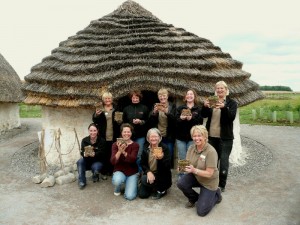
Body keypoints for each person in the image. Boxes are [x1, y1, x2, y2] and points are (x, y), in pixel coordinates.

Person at [177, 125, 222, 217]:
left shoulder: (211, 152)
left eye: (199, 136)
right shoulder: (191, 148)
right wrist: (182, 168)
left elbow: (209, 174)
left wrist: (194, 170)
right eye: (194, 136)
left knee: (201, 211)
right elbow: (188, 163)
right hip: (196, 176)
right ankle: (194, 198)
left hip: (209, 181)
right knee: (181, 183)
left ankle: (216, 195)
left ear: (205, 136)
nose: (196, 138)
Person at [201, 81, 238, 192]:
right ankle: (211, 181)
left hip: (225, 138)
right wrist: (205, 107)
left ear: (226, 90)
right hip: (211, 137)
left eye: (222, 88)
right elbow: (204, 115)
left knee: (224, 162)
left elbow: (231, 117)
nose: (220, 90)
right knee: (211, 160)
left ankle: (222, 185)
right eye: (218, 88)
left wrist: (224, 107)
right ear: (215, 90)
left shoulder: (231, 103)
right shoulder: (213, 100)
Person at [92, 91, 121, 177]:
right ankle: (105, 171)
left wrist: (120, 120)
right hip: (103, 135)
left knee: (113, 152)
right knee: (105, 153)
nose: (107, 100)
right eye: (105, 99)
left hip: (114, 134)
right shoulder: (100, 109)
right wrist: (96, 115)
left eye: (109, 98)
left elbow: (120, 121)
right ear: (103, 100)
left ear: (112, 99)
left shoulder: (116, 108)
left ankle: (113, 170)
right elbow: (95, 120)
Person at [138, 128, 172, 200]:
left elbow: (168, 166)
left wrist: (161, 159)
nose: (153, 138)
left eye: (156, 136)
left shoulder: (164, 148)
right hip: (150, 172)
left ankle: (162, 190)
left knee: (144, 179)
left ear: (160, 137)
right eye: (151, 136)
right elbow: (142, 163)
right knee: (142, 195)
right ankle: (153, 186)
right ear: (148, 138)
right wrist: (148, 172)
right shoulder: (145, 147)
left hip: (162, 175)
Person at [148, 88, 176, 167]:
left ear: (167, 96)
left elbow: (175, 120)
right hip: (158, 136)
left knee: (168, 154)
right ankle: (158, 171)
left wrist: (167, 112)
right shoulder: (156, 106)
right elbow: (150, 121)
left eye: (164, 95)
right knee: (157, 155)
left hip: (169, 135)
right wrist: (154, 113)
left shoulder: (172, 106)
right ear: (158, 97)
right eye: (160, 96)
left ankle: (167, 172)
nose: (162, 97)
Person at [110, 123, 139, 200]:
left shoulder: (135, 145)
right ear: (121, 133)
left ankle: (129, 183)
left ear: (131, 133)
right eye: (124, 132)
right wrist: (119, 151)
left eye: (128, 132)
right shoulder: (115, 144)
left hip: (132, 172)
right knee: (117, 180)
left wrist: (124, 152)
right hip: (119, 170)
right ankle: (117, 188)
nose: (126, 134)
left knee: (130, 196)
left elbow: (133, 159)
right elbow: (113, 162)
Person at [122, 90, 149, 172]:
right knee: (128, 154)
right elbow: (123, 122)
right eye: (133, 97)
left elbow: (149, 121)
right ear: (131, 98)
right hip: (129, 136)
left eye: (136, 97)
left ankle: (140, 172)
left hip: (140, 136)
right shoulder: (126, 108)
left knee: (139, 155)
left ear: (139, 98)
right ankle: (129, 171)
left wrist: (141, 121)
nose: (135, 99)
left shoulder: (144, 108)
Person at [175, 89, 203, 161]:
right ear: (185, 97)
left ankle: (191, 172)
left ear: (194, 96)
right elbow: (175, 122)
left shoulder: (198, 109)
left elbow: (200, 123)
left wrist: (191, 119)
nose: (189, 96)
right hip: (180, 138)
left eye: (191, 94)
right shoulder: (180, 108)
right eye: (188, 94)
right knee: (183, 158)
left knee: (191, 158)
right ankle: (184, 172)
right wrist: (181, 118)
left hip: (193, 138)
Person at [77, 123, 107, 189]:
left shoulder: (102, 141)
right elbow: (82, 151)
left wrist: (95, 154)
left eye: (94, 130)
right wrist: (84, 154)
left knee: (95, 167)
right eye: (91, 130)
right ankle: (82, 181)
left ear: (97, 131)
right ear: (88, 131)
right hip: (87, 160)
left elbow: (103, 153)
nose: (92, 132)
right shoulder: (84, 140)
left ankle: (95, 174)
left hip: (97, 161)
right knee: (80, 161)